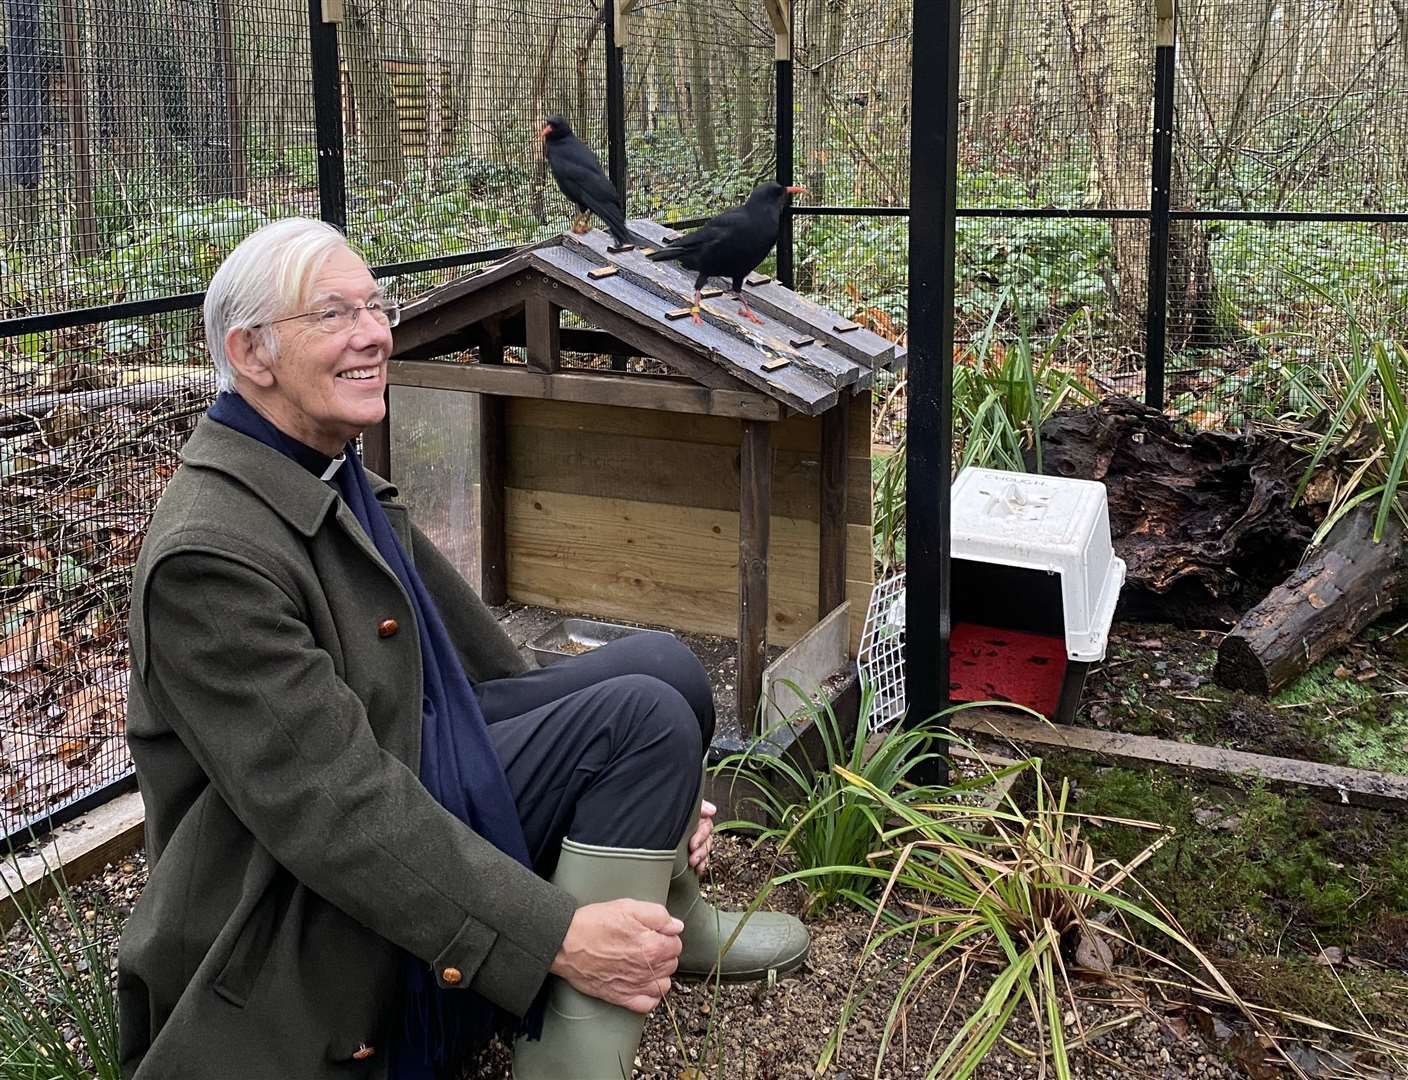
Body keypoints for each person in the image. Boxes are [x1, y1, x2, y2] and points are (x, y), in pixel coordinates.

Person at [117, 217, 809, 1080]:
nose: (376, 332)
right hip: (296, 916)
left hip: (410, 763)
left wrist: (650, 811)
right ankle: (569, 1058)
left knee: (664, 669)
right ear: (251, 354)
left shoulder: (322, 470)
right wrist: (553, 936)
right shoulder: (209, 559)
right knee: (639, 723)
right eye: (334, 314)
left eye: (376, 305)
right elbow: (339, 812)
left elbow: (487, 676)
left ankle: (670, 922)